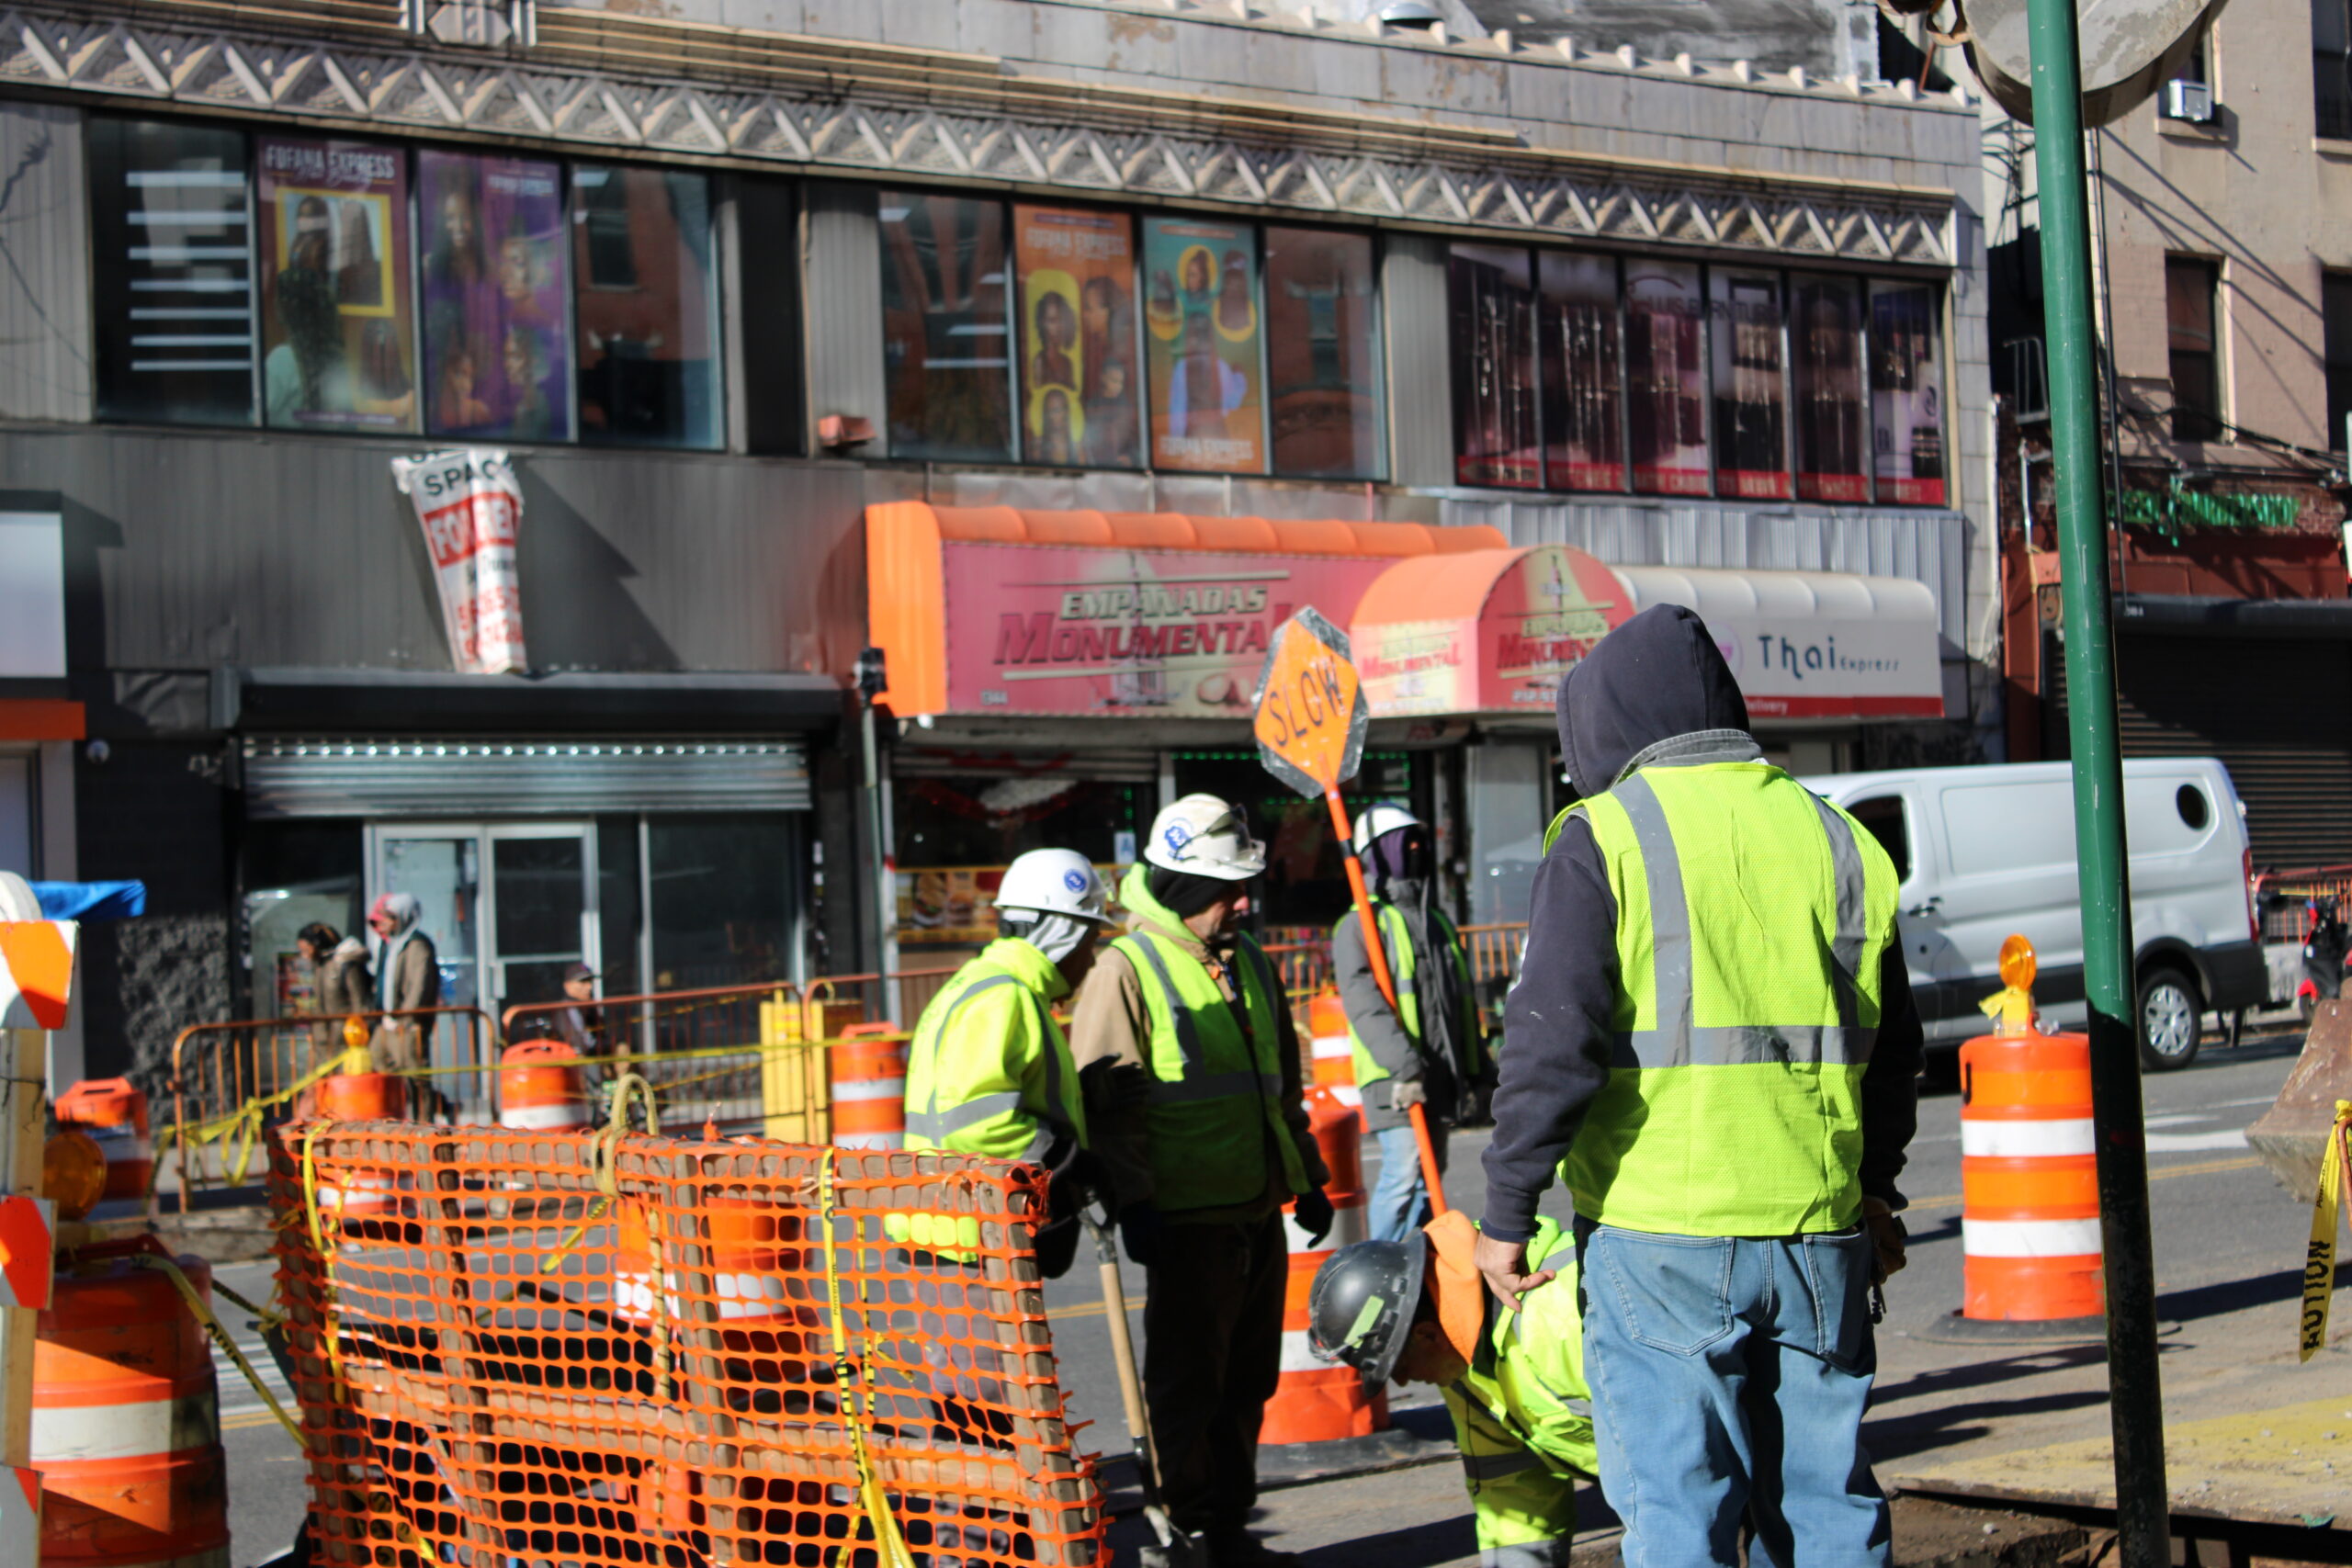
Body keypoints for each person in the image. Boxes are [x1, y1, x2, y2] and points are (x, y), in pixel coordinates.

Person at [1473, 604, 1922, 1568]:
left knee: (1682, 1517)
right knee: (1826, 1509)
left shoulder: (1605, 835)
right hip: (1817, 1229)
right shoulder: (1838, 837)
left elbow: (1552, 1043)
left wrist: (1507, 1211)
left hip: (1661, 1232)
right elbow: (1891, 1051)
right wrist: (1875, 1184)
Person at [1069, 795, 1334, 1568]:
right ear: (1183, 886)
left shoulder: (1246, 957)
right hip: (1187, 1223)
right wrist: (1138, 1201)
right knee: (1189, 1390)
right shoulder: (1126, 969)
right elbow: (1109, 1111)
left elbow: (1278, 1084)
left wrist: (1307, 1175)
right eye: (1229, 888)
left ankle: (1227, 1529)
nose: (1246, 901)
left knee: (1247, 1383)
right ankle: (1182, 1533)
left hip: (1253, 1209)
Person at [1310, 1210, 1596, 1567]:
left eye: (1399, 1366)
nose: (1401, 1382)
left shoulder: (1560, 1321)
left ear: (1427, 1335)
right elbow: (1512, 1489)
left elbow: (1676, 1458)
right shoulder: (1460, 1368)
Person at [1333, 805, 1491, 1244]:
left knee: (1430, 1178)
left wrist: (1478, 1069)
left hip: (1439, 1073)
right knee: (1402, 1176)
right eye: (1405, 843)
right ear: (1379, 854)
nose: (1418, 849)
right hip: (1396, 1078)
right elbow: (1364, 1004)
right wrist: (1404, 1067)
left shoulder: (1437, 922)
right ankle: (1377, 1267)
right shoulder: (1360, 925)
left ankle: (1413, 1269)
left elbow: (1459, 1004)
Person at [368, 893, 447, 1120]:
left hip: (407, 1025)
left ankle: (425, 1126)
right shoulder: (391, 944)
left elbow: (418, 986)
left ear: (404, 917)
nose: (385, 922)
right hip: (386, 1022)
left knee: (416, 1080)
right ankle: (396, 1123)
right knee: (381, 1070)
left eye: (390, 917)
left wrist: (407, 1019)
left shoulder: (418, 945)